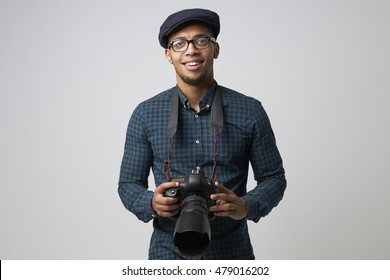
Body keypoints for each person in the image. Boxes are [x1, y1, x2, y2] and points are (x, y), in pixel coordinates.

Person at [118, 8, 286, 260]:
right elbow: (128, 184)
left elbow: (274, 177)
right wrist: (151, 202)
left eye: (201, 40)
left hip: (232, 253)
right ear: (168, 55)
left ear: (215, 49)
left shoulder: (249, 110)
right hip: (168, 253)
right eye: (179, 43)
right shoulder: (145, 113)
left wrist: (245, 206)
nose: (191, 50)